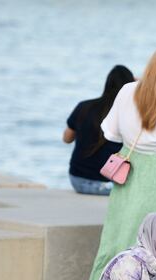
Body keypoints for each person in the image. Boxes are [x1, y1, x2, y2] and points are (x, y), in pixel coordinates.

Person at [87, 46, 156, 280]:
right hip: (155, 173)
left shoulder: (126, 91)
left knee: (117, 232)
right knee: (149, 240)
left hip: (127, 168)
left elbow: (110, 132)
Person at [63, 65, 135, 195]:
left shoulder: (83, 107)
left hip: (77, 180)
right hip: (111, 184)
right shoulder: (128, 114)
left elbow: (67, 138)